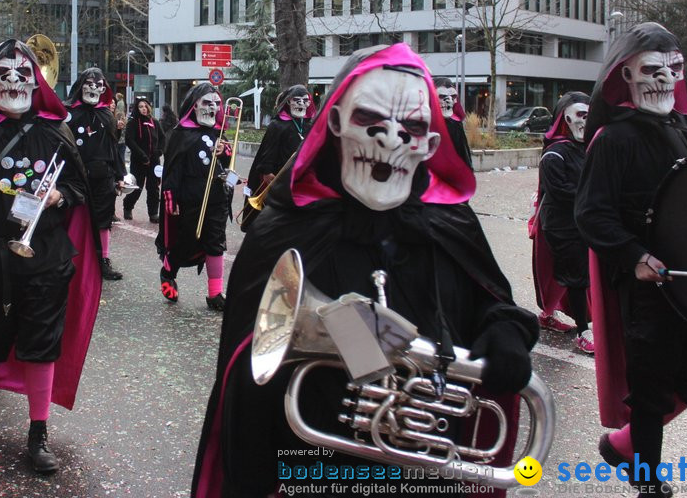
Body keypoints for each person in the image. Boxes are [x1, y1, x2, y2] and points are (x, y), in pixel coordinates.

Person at [192, 43, 539, 496]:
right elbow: (246, 360)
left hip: (426, 470)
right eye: (369, 119)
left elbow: (490, 298)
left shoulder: (449, 220)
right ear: (334, 123)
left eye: (412, 127)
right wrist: (352, 337)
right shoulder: (289, 222)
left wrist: (506, 330)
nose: (391, 139)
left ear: (431, 143)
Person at [0, 39, 101, 474]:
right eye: (3, 73)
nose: (13, 80)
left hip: (47, 254)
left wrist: (59, 196)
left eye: (22, 73)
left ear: (35, 80)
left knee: (42, 344)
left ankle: (38, 432)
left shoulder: (55, 130)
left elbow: (82, 189)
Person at [574, 23, 687, 495]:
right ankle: (646, 478)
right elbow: (591, 214)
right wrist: (635, 255)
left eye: (674, 69)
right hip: (648, 288)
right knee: (651, 387)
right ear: (627, 76)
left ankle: (623, 445)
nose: (665, 79)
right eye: (652, 70)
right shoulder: (614, 140)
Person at [155, 84, 234, 311]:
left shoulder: (218, 132)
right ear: (194, 104)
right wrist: (171, 198)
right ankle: (168, 272)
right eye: (207, 103)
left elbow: (225, 162)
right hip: (189, 199)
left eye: (216, 103)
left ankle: (215, 293)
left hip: (216, 198)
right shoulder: (181, 134)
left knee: (215, 243)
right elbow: (172, 170)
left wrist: (225, 152)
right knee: (184, 242)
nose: (213, 107)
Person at [531, 91, 594, 353]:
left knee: (585, 275)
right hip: (563, 225)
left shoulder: (589, 148)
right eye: (580, 115)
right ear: (564, 119)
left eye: (589, 115)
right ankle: (584, 330)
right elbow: (561, 192)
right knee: (577, 275)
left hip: (586, 223)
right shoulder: (555, 154)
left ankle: (553, 314)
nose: (585, 121)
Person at [66, 67, 124, 280]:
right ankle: (71, 261)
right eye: (89, 83)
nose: (93, 87)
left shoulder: (105, 115)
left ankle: (103, 261)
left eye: (98, 84)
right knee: (74, 218)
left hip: (103, 176)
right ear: (81, 85)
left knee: (103, 219)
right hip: (76, 177)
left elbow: (113, 148)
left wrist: (119, 175)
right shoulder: (69, 114)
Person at [239, 85, 314, 231]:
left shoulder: (309, 126)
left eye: (305, 100)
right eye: (296, 100)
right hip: (280, 177)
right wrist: (267, 172)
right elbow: (268, 151)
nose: (301, 104)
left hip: (301, 178)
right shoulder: (277, 125)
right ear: (288, 102)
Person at [123, 96, 164, 223]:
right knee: (137, 187)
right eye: (141, 107)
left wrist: (159, 151)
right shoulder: (133, 122)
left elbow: (162, 138)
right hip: (139, 160)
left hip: (154, 161)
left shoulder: (155, 122)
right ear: (137, 108)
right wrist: (142, 156)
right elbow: (130, 140)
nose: (144, 109)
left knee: (154, 188)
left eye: (145, 106)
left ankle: (153, 213)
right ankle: (128, 206)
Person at [434, 77, 473, 169]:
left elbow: (462, 151)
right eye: (442, 96)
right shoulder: (425, 122)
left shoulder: (455, 123)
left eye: (453, 97)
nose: (449, 100)